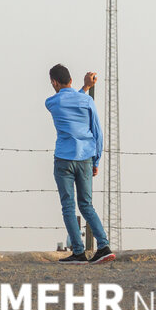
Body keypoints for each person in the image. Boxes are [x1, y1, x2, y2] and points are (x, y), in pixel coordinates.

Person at [45, 64, 115, 264]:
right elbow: (97, 133)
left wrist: (83, 88)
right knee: (87, 205)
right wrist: (96, 159)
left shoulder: (51, 102)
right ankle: (103, 245)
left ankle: (79, 251)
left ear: (54, 82)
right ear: (71, 80)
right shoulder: (87, 101)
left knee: (68, 206)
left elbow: (64, 99)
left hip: (64, 159)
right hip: (85, 157)